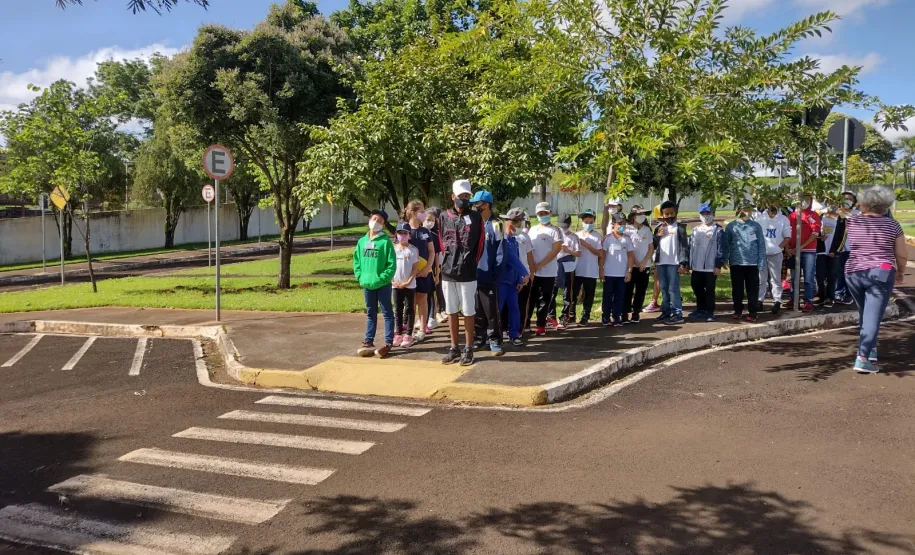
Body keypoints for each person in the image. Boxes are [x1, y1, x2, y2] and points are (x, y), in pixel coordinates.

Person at [843, 186, 907, 373]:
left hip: (853, 271)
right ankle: (862, 358)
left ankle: (870, 349)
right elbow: (902, 254)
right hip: (881, 271)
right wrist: (901, 273)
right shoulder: (892, 225)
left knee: (866, 312)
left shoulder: (853, 221)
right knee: (873, 315)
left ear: (864, 203)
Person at [440, 179, 485, 366]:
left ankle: (468, 348)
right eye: (461, 196)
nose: (464, 199)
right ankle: (454, 347)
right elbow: (442, 243)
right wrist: (445, 262)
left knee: (468, 311)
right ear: (453, 197)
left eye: (467, 196)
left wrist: (471, 263)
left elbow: (480, 244)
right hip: (448, 271)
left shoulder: (475, 217)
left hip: (467, 272)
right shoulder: (444, 216)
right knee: (451, 310)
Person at [353, 210, 396, 358]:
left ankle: (388, 342)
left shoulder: (385, 242)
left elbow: (391, 264)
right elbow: (356, 261)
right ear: (369, 220)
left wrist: (382, 278)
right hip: (367, 284)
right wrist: (360, 276)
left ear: (383, 225)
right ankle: (368, 341)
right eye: (374, 218)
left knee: (387, 313)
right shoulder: (362, 242)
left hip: (382, 285)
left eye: (380, 221)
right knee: (371, 314)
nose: (376, 222)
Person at [469, 190, 505, 355]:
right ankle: (479, 339)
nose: (475, 206)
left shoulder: (496, 224)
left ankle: (495, 340)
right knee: (476, 309)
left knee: (491, 309)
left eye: (478, 203)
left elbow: (501, 252)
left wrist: (495, 272)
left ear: (487, 204)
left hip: (489, 275)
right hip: (472, 275)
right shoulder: (473, 223)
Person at [726, 201, 767, 322]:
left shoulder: (755, 226)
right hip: (737, 263)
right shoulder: (731, 226)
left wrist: (761, 261)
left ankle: (753, 312)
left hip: (752, 263)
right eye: (743, 210)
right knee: (737, 289)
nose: (746, 212)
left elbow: (761, 244)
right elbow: (726, 244)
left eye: (748, 210)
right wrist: (725, 260)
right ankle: (738, 310)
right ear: (738, 210)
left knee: (752, 290)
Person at [527, 201, 563, 336]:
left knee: (544, 299)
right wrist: (532, 266)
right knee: (530, 298)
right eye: (540, 214)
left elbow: (556, 250)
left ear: (550, 213)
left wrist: (540, 265)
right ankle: (525, 324)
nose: (543, 216)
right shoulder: (532, 230)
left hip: (548, 271)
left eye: (545, 213)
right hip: (532, 271)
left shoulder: (556, 230)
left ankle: (541, 325)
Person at [688, 203, 727, 322]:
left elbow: (722, 248)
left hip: (710, 267)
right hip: (697, 266)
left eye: (708, 213)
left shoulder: (718, 230)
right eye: (703, 213)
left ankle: (710, 312)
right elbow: (690, 247)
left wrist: (718, 265)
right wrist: (689, 264)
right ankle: (700, 309)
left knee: (710, 289)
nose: (706, 216)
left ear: (713, 214)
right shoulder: (696, 230)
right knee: (696, 286)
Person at [402, 200, 435, 342]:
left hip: (424, 273)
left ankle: (422, 328)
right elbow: (399, 250)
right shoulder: (403, 231)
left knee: (423, 299)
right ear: (413, 213)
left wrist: (428, 268)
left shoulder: (425, 232)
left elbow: (432, 252)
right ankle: (408, 330)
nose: (424, 214)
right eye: (421, 211)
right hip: (409, 273)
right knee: (410, 301)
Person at [497, 208, 530, 347]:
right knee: (497, 309)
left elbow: (517, 259)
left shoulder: (514, 240)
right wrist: (525, 273)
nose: (519, 225)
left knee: (514, 309)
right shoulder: (502, 238)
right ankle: (493, 335)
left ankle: (514, 334)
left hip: (511, 282)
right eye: (518, 222)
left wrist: (518, 279)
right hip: (500, 281)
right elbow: (511, 259)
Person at [653, 201, 689, 324]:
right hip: (661, 263)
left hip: (674, 263)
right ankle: (666, 311)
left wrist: (683, 263)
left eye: (671, 213)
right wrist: (657, 236)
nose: (669, 216)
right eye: (666, 213)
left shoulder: (679, 228)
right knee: (663, 288)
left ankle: (677, 313)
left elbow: (684, 247)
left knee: (673, 289)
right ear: (662, 214)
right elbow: (653, 245)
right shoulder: (659, 228)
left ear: (675, 213)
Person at [755, 202, 792, 314]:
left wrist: (779, 247)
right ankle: (759, 300)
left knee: (776, 278)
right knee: (761, 278)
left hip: (776, 253)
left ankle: (777, 300)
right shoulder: (760, 218)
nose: (772, 205)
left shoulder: (783, 219)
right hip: (762, 253)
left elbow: (787, 236)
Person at [788, 193, 821, 312]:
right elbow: (787, 232)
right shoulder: (792, 216)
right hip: (793, 251)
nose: (804, 201)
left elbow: (815, 233)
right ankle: (793, 299)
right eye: (802, 199)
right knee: (794, 278)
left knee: (808, 277)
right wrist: (788, 248)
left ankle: (808, 301)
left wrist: (801, 247)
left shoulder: (813, 215)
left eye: (807, 199)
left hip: (809, 251)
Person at [600, 213, 635, 327]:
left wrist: (629, 271)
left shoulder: (627, 239)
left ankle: (617, 316)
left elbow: (630, 256)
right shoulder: (607, 239)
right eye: (619, 223)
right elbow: (603, 256)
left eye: (623, 223)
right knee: (607, 296)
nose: (622, 226)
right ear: (613, 224)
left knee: (620, 296)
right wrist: (601, 270)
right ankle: (606, 316)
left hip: (622, 274)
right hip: (609, 273)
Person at [622, 205, 654, 324]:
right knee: (628, 289)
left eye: (643, 214)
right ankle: (624, 313)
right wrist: (635, 262)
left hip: (644, 266)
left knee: (641, 290)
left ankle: (636, 313)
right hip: (630, 266)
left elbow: (651, 248)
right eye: (639, 214)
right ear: (633, 216)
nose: (641, 217)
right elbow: (628, 248)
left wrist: (644, 262)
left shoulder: (647, 229)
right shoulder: (627, 230)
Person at [392, 222, 421, 348]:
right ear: (396, 234)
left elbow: (415, 268)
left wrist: (408, 281)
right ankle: (398, 333)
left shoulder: (413, 250)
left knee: (409, 309)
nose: (402, 235)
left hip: (409, 285)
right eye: (400, 233)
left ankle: (408, 334)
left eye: (405, 233)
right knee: (397, 309)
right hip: (395, 284)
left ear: (409, 235)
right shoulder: (393, 249)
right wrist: (392, 282)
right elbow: (389, 266)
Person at [551, 213, 581, 330]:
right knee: (552, 292)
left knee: (567, 293)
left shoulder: (574, 237)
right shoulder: (554, 235)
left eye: (565, 226)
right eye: (561, 226)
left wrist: (568, 250)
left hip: (568, 267)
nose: (563, 229)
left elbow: (578, 253)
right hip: (554, 267)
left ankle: (565, 316)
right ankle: (551, 316)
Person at [572, 209, 601, 326]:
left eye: (590, 222)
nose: (588, 224)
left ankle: (585, 316)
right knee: (573, 294)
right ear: (582, 222)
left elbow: (599, 253)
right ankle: (571, 315)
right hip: (577, 269)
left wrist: (587, 245)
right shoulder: (577, 235)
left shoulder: (597, 236)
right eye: (586, 221)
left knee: (589, 295)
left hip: (591, 270)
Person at [815, 204, 845, 308]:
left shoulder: (841, 219)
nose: (832, 206)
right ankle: (820, 295)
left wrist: (836, 251)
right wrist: (819, 238)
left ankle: (830, 297)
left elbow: (843, 236)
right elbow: (815, 232)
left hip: (833, 252)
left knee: (832, 275)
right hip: (821, 251)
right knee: (819, 275)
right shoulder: (820, 216)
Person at [833, 191, 859, 305]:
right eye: (845, 199)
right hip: (840, 248)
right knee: (839, 271)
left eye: (850, 199)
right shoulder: (836, 214)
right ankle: (838, 292)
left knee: (850, 272)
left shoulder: (857, 214)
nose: (847, 201)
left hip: (853, 249)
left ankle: (849, 294)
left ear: (854, 202)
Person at [423, 207, 447, 326]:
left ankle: (437, 312)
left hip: (436, 266)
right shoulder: (420, 233)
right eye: (427, 219)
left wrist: (438, 268)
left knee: (437, 289)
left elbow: (437, 252)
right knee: (424, 293)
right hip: (421, 267)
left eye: (432, 220)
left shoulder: (436, 234)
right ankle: (425, 317)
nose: (429, 222)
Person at [643, 203, 663, 313]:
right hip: (659, 257)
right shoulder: (658, 227)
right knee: (658, 278)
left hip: (663, 258)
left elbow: (655, 244)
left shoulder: (661, 227)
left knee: (659, 279)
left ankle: (655, 301)